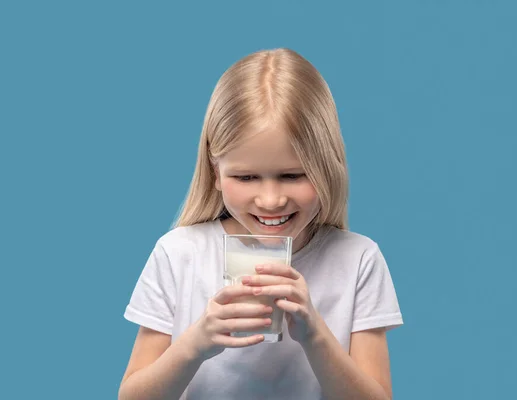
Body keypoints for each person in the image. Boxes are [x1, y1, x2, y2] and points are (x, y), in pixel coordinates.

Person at [118, 48, 403, 400]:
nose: (271, 200)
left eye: (292, 175)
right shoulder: (180, 254)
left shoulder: (358, 259)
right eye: (247, 176)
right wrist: (195, 342)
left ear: (327, 165)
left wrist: (315, 335)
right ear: (215, 172)